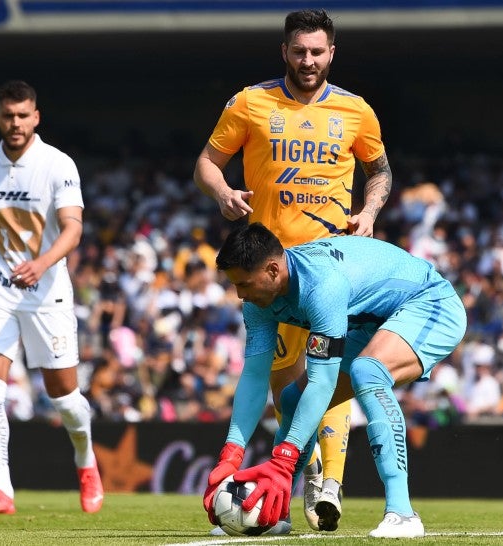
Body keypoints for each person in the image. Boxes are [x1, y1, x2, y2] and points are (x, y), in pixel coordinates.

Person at [193, 8, 393, 533]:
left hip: (330, 267)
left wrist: (369, 214)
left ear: (332, 53)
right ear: (284, 51)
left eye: (317, 51)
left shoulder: (356, 111)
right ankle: (299, 475)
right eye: (299, 51)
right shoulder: (250, 102)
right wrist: (223, 193)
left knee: (328, 370)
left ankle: (331, 483)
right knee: (285, 384)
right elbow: (207, 163)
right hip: (268, 273)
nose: (308, 60)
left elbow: (380, 171)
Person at [203, 223, 466, 538]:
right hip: (373, 321)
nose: (240, 295)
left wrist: (284, 459)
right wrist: (232, 452)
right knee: (292, 399)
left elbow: (322, 383)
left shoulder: (321, 286)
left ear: (273, 270)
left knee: (368, 371)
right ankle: (273, 514)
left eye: (244, 284)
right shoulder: (259, 302)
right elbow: (255, 375)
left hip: (430, 304)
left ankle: (403, 512)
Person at [0, 80, 103, 515]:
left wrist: (42, 264)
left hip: (47, 292)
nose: (15, 123)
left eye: (23, 115)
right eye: (8, 115)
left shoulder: (58, 164)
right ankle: (2, 491)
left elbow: (73, 228)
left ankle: (86, 459)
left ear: (36, 117)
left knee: (64, 398)